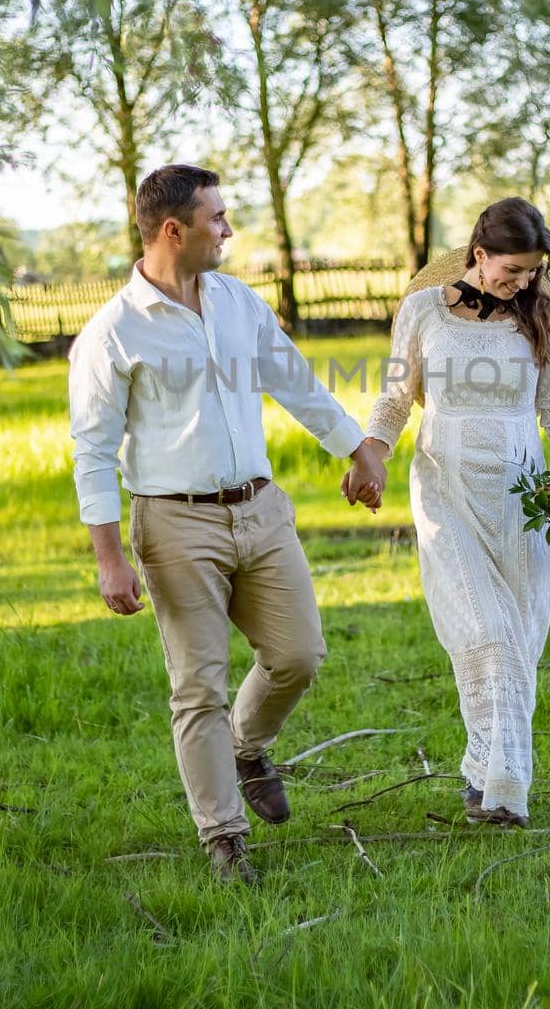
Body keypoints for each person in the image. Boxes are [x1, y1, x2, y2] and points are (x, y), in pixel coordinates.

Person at [68, 164, 386, 885]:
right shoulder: (112, 333)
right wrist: (110, 559)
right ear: (173, 230)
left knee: (297, 655)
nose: (229, 230)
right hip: (175, 524)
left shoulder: (238, 302)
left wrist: (358, 451)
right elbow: (91, 452)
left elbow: (294, 380)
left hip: (261, 509)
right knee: (197, 686)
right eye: (217, 218)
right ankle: (223, 837)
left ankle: (248, 747)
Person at [344, 198, 550, 828]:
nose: (524, 282)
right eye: (513, 269)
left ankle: (483, 775)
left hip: (522, 496)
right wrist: (370, 458)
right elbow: (396, 398)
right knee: (488, 632)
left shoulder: (543, 315)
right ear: (479, 255)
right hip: (445, 489)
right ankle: (505, 790)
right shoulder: (423, 310)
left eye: (534, 271)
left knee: (520, 637)